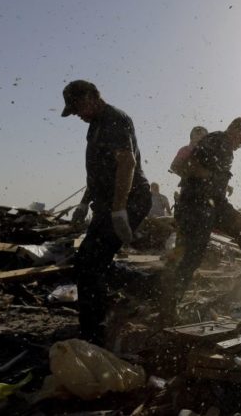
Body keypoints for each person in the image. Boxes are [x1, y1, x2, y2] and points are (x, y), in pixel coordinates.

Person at [61, 79, 151, 345]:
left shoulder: (114, 119)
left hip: (129, 200)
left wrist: (120, 208)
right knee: (89, 262)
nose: (77, 115)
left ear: (91, 97)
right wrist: (83, 203)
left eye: (77, 108)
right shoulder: (95, 126)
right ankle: (153, 288)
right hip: (107, 204)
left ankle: (93, 332)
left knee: (90, 263)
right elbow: (97, 173)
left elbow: (127, 162)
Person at [161, 118, 241, 318]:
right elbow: (185, 166)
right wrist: (208, 177)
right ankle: (169, 306)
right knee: (191, 256)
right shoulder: (216, 141)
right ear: (235, 129)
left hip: (215, 203)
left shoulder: (224, 146)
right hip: (197, 204)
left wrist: (218, 182)